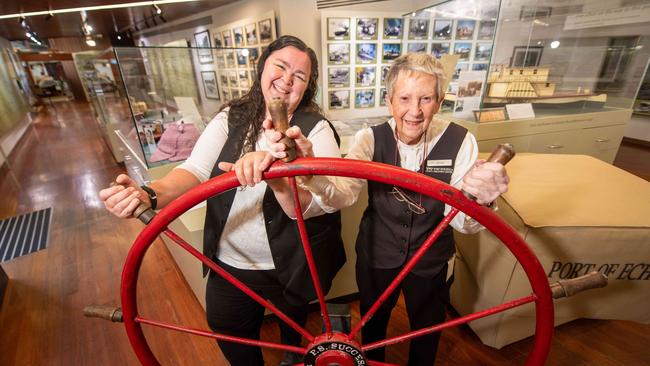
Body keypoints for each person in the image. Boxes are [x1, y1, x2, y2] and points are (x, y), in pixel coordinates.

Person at [99, 35, 346, 366]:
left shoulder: (316, 130)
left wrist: (293, 176)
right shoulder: (232, 118)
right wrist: (147, 193)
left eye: (299, 77)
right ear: (262, 68)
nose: (287, 81)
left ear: (307, 87)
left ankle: (292, 357)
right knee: (227, 326)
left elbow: (330, 197)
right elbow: (194, 171)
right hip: (232, 263)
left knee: (294, 327)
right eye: (281, 67)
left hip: (293, 262)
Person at [258, 53, 510, 365]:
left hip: (431, 261)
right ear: (389, 100)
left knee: (426, 331)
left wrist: (481, 200)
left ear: (440, 101)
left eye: (426, 99)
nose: (414, 111)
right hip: (377, 254)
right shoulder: (369, 139)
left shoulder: (461, 140)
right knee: (373, 328)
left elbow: (461, 222)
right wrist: (310, 173)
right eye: (404, 98)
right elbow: (342, 196)